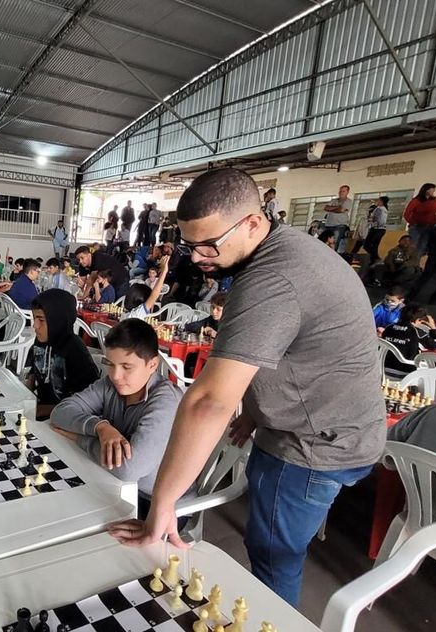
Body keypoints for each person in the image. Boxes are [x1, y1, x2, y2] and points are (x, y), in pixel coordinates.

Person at [107, 168, 384, 608]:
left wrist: (162, 502)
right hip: (330, 425)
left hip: (312, 445)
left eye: (208, 245)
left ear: (253, 223)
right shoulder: (286, 251)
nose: (197, 258)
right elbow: (305, 348)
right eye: (189, 245)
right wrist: (257, 406)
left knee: (273, 559)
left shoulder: (274, 278)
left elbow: (209, 401)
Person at [50, 319, 182, 504]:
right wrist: (101, 428)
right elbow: (60, 412)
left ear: (152, 365)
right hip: (112, 482)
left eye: (126, 367)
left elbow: (129, 470)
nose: (115, 376)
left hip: (156, 502)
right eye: (110, 364)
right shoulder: (110, 384)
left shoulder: (166, 401)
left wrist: (80, 438)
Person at [28, 289, 101, 420]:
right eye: (34, 318)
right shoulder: (40, 340)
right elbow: (33, 374)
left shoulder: (75, 350)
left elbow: (86, 405)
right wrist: (24, 398)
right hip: (38, 412)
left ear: (57, 320)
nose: (35, 326)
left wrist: (39, 410)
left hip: (65, 419)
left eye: (41, 320)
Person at [382, 304, 436, 378]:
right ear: (418, 320)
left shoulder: (389, 328)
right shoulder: (417, 332)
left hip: (382, 368)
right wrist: (434, 329)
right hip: (405, 372)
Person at [403, 183, 436, 257]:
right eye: (432, 189)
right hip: (417, 227)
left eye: (434, 190)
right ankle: (407, 264)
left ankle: (416, 264)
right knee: (412, 246)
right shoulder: (416, 200)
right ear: (426, 190)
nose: (433, 192)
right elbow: (407, 213)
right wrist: (413, 222)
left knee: (422, 247)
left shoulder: (434, 200)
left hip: (429, 227)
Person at [321, 184, 352, 253]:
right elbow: (325, 208)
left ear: (347, 192)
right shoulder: (333, 200)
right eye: (340, 191)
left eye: (343, 191)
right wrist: (338, 207)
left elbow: (340, 210)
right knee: (325, 242)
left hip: (339, 225)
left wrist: (331, 208)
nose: (341, 192)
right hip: (328, 224)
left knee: (334, 243)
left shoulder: (348, 201)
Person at [362, 196, 389, 263]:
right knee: (374, 246)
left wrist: (370, 219)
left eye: (378, 200)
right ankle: (374, 259)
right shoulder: (385, 209)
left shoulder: (379, 209)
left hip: (376, 229)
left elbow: (377, 220)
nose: (377, 201)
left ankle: (375, 258)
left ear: (381, 201)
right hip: (381, 229)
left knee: (367, 245)